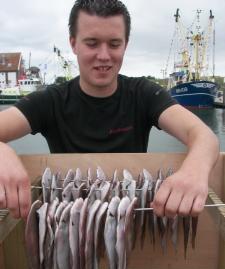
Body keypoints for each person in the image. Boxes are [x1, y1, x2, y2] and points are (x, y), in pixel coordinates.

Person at [0, 0, 219, 220]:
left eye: (114, 44)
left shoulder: (144, 93)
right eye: (92, 43)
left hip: (131, 223)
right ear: (74, 44)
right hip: (69, 225)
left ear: (125, 44)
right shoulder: (49, 101)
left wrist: (194, 171)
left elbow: (203, 135)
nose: (104, 55)